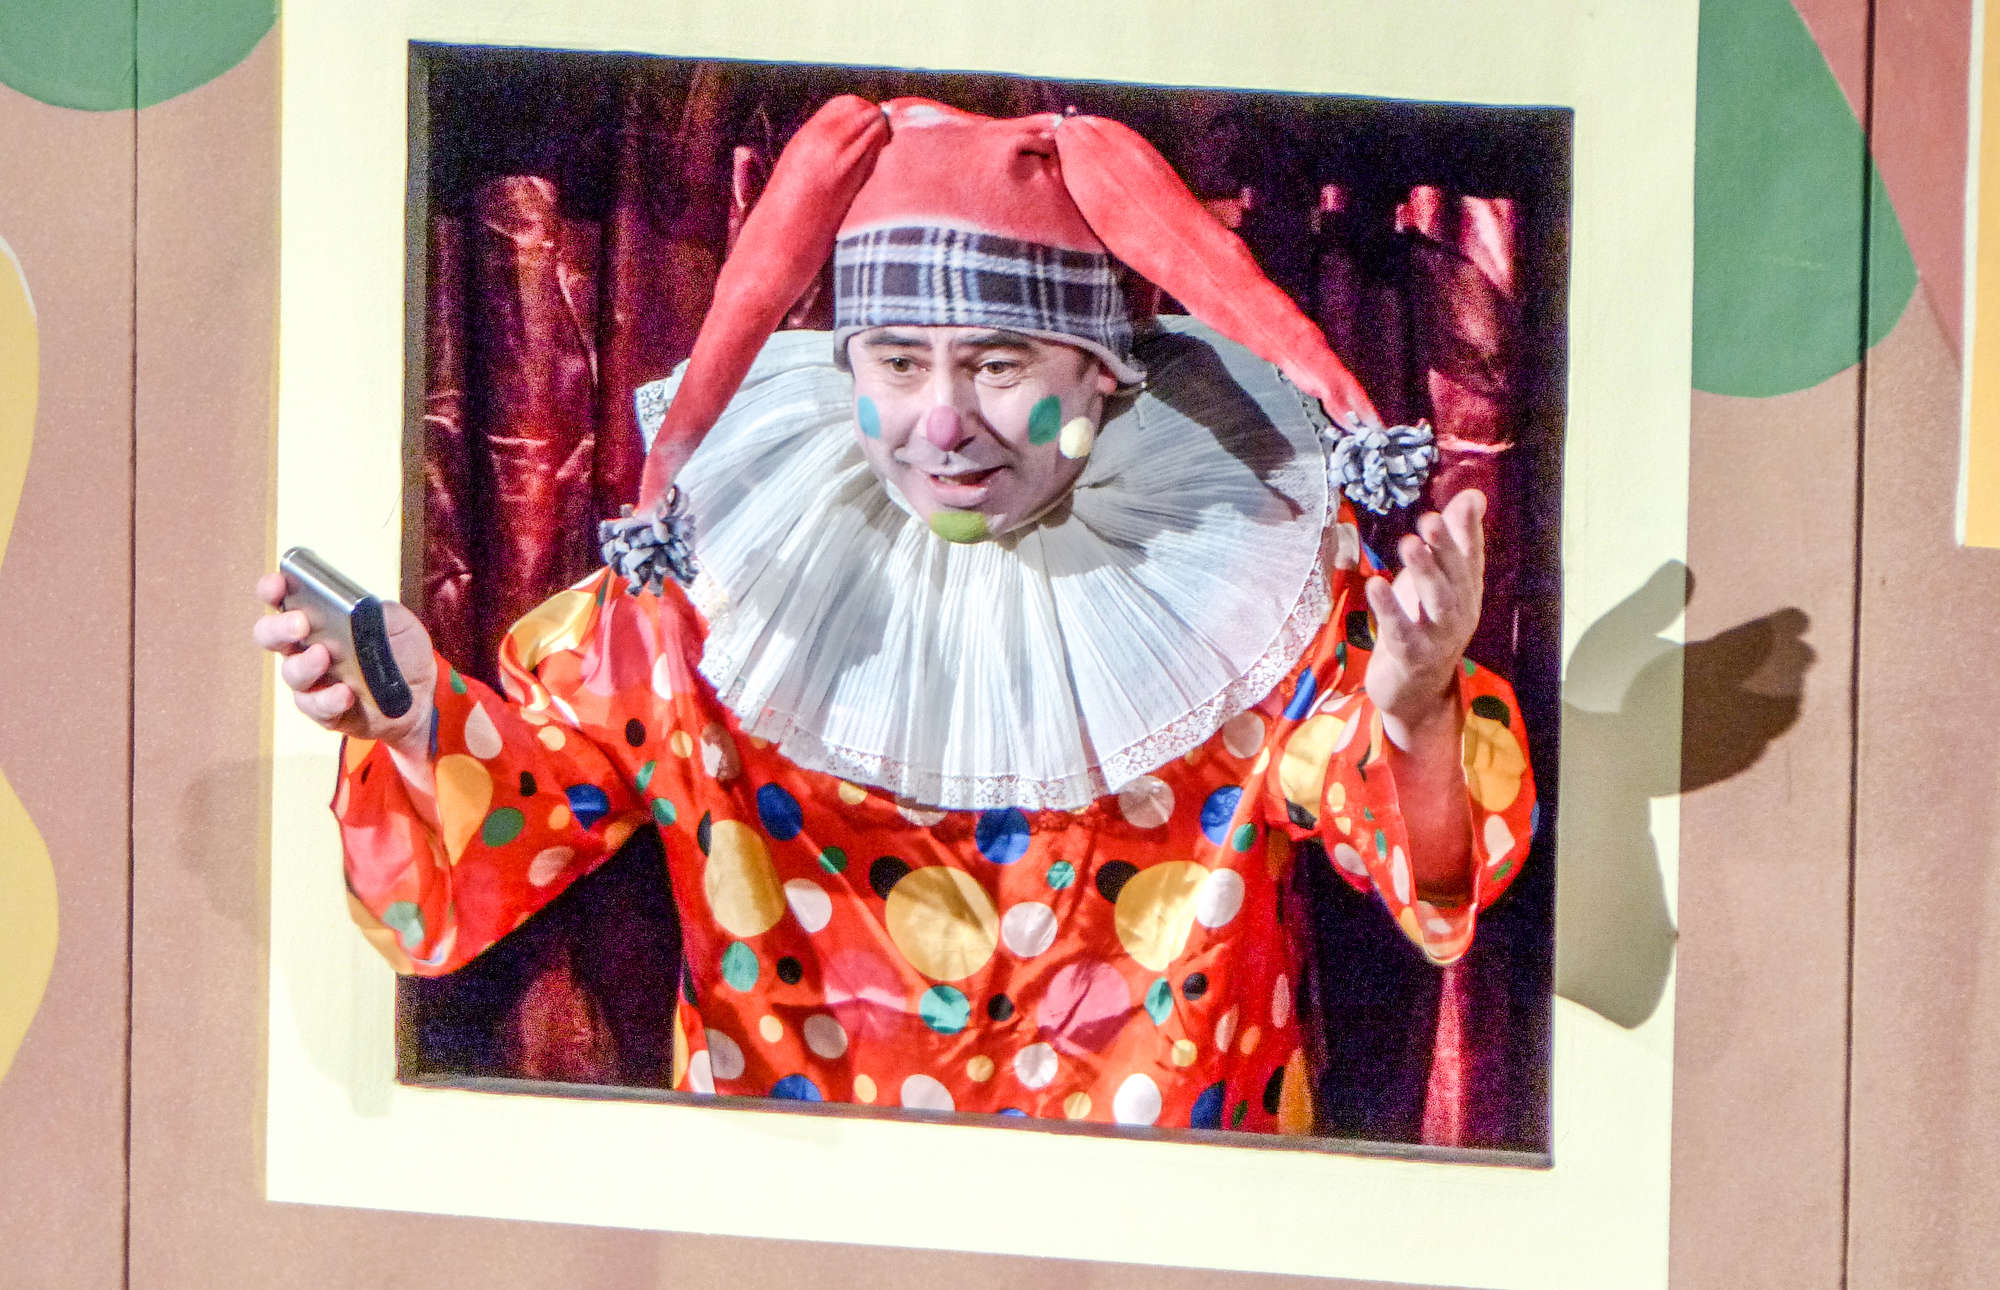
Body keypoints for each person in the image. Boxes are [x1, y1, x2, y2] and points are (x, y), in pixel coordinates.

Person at [254, 95, 1534, 1133]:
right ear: (844, 363)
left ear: (1101, 371)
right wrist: (413, 722)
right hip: (807, 1226)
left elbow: (1418, 862)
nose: (941, 422)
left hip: (1152, 1232)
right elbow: (516, 817)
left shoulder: (1251, 574)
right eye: (899, 361)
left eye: (997, 364)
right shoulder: (713, 581)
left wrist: (1410, 708)